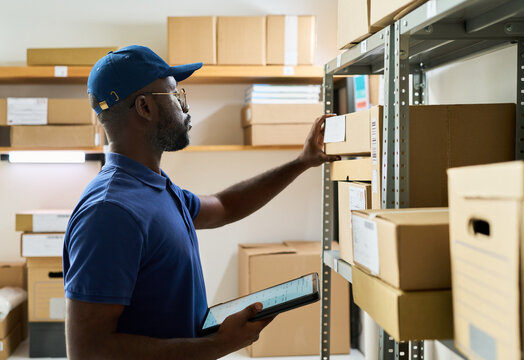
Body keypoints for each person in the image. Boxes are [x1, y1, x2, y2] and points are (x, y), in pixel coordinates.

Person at [63, 45, 340, 360]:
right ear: (144, 107)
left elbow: (224, 206)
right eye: (176, 96)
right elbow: (88, 350)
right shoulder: (110, 212)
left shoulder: (156, 187)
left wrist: (302, 162)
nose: (186, 107)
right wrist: (219, 345)